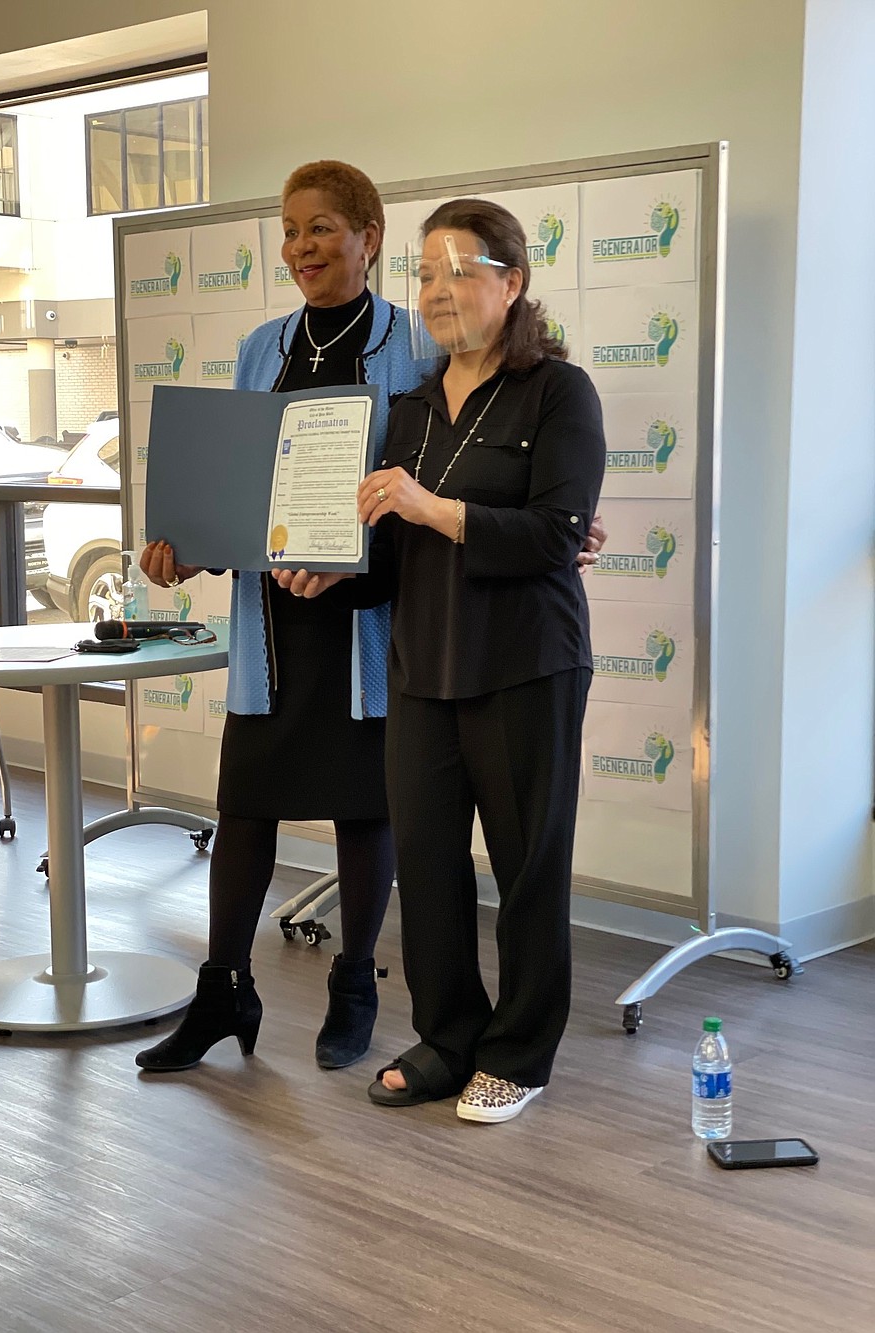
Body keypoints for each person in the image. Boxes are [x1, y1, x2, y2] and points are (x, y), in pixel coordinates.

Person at [135, 165, 607, 1078]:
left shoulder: (435, 358)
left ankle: (370, 990)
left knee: (393, 820)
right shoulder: (271, 353)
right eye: (289, 230)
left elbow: (480, 484)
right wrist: (196, 546)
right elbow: (251, 494)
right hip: (290, 607)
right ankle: (243, 994)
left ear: (368, 237)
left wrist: (563, 528)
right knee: (264, 810)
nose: (302, 247)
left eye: (322, 229)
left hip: (403, 631)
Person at [352, 198, 607, 1122]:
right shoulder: (411, 410)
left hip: (526, 666)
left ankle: (520, 1053)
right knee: (424, 863)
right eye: (424, 273)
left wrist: (429, 508)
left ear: (514, 281)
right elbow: (387, 557)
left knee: (529, 868)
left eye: (461, 269)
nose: (438, 291)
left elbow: (556, 535)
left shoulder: (559, 393)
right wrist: (324, 570)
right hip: (424, 665)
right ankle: (448, 1036)